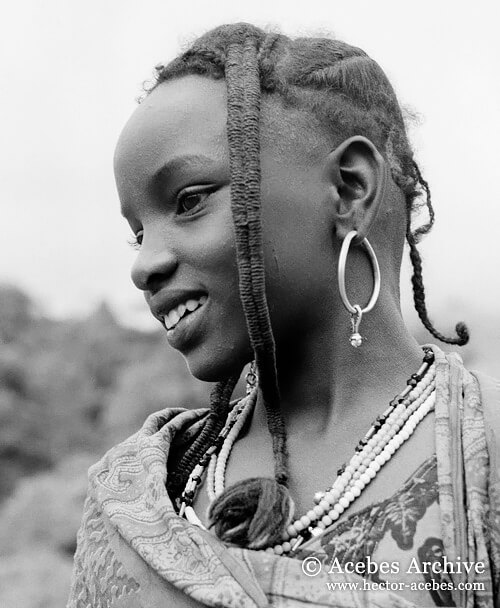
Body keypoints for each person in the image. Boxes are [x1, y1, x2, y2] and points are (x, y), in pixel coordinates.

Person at [67, 23, 500, 608]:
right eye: (137, 232)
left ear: (349, 188)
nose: (145, 264)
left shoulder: (483, 451)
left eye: (189, 200)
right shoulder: (133, 499)